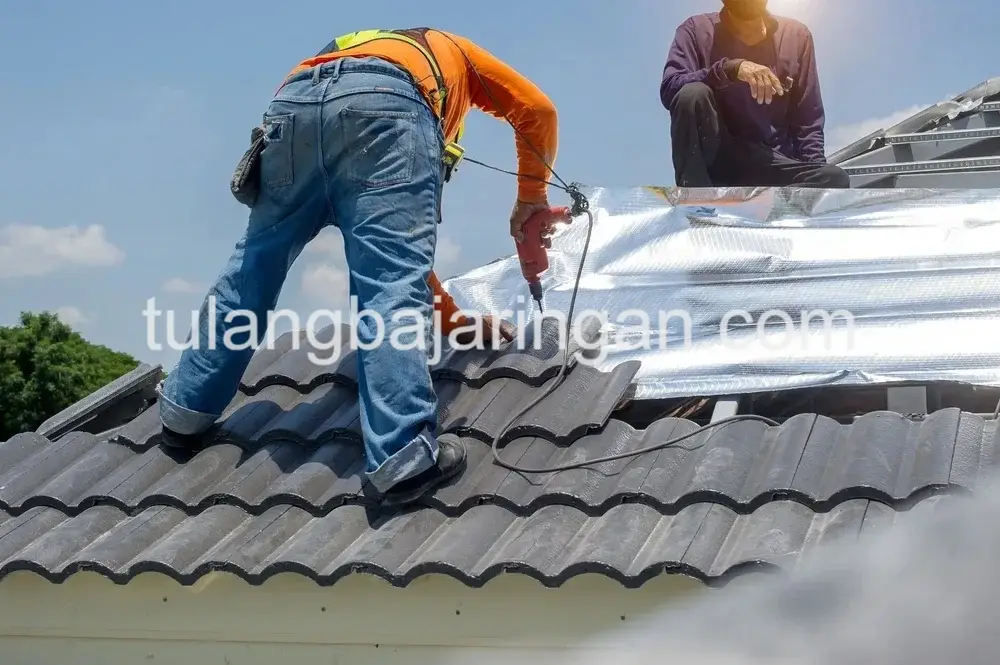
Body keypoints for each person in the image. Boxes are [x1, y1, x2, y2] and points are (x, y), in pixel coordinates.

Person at [156, 28, 566, 506]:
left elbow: (399, 262)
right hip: (389, 104)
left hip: (293, 106)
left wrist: (455, 322)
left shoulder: (379, 46)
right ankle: (403, 458)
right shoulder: (453, 57)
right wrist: (532, 196)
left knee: (253, 268)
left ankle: (183, 411)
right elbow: (537, 110)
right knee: (389, 286)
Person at [659, 0, 850, 189]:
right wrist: (729, 69)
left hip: (774, 163)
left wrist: (816, 176)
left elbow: (807, 119)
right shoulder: (695, 29)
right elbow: (671, 87)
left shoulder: (797, 36)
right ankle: (696, 198)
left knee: (833, 178)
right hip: (716, 161)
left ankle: (776, 201)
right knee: (691, 94)